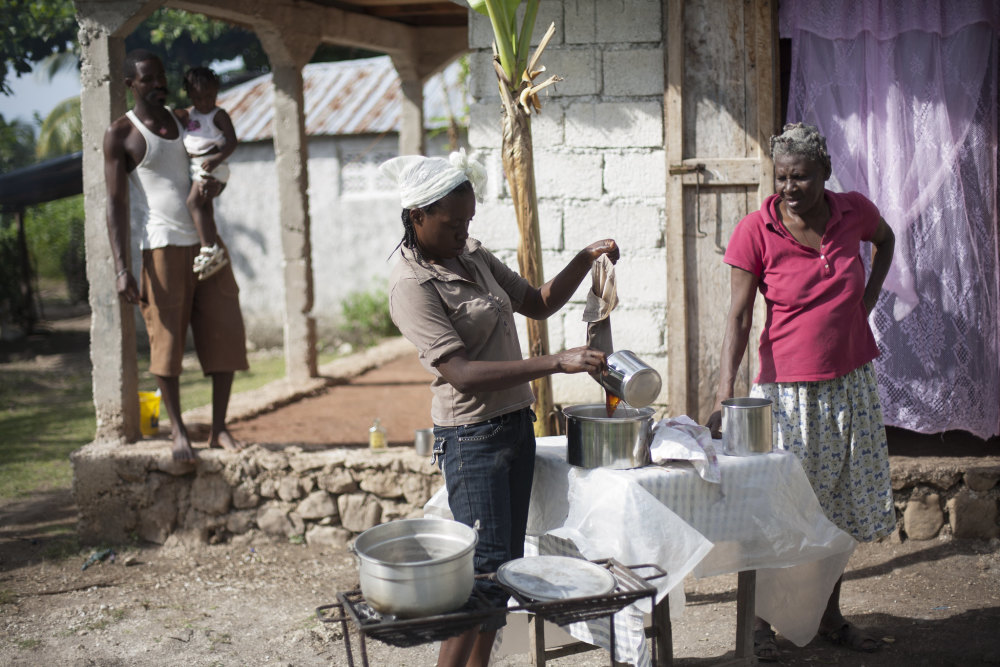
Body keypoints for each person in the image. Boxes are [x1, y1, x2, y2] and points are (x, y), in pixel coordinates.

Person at [382, 150, 619, 667]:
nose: (463, 231)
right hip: (472, 439)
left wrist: (585, 257)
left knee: (501, 574)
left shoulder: (471, 255)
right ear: (417, 216)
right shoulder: (410, 284)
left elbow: (537, 302)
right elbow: (462, 373)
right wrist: (556, 363)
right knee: (481, 576)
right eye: (452, 223)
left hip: (514, 425)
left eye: (468, 220)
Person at [706, 123, 896, 661]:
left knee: (839, 509)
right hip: (788, 394)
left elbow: (886, 241)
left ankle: (829, 616)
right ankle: (760, 625)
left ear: (825, 173)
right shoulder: (756, 230)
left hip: (852, 384)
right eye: (782, 177)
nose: (790, 187)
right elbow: (739, 318)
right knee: (779, 506)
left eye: (802, 177)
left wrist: (868, 300)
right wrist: (724, 394)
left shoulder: (853, 211)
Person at [103, 49, 249, 462]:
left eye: (161, 77)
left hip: (207, 242)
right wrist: (122, 268)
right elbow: (114, 204)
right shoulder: (121, 133)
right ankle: (179, 433)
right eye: (147, 79)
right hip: (161, 246)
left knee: (224, 330)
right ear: (130, 84)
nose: (158, 84)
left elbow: (210, 157)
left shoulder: (184, 119)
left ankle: (219, 429)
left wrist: (217, 183)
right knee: (166, 342)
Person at [174, 66, 237, 280]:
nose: (205, 102)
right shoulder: (189, 115)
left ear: (217, 91)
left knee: (193, 202)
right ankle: (213, 247)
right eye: (198, 98)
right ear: (190, 95)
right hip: (196, 167)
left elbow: (232, 142)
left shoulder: (218, 115)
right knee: (204, 208)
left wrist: (217, 159)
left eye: (210, 96)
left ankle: (208, 247)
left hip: (213, 166)